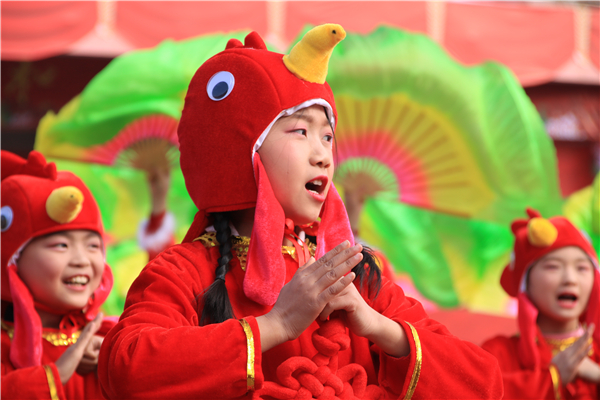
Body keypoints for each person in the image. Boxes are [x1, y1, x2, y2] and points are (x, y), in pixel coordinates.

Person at [98, 24, 503, 399]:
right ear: (240, 148)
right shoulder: (185, 271)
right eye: (301, 131)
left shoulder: (358, 275)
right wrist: (276, 325)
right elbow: (126, 368)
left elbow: (484, 384)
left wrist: (377, 325)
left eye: (327, 136)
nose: (322, 155)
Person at [1, 150, 116, 399]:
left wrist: (115, 361)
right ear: (12, 258)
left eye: (93, 245)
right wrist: (54, 377)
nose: (81, 260)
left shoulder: (111, 338)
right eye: (61, 245)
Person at [482, 208, 600, 399]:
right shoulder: (498, 355)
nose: (570, 279)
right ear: (525, 282)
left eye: (582, 268)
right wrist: (552, 378)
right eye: (553, 267)